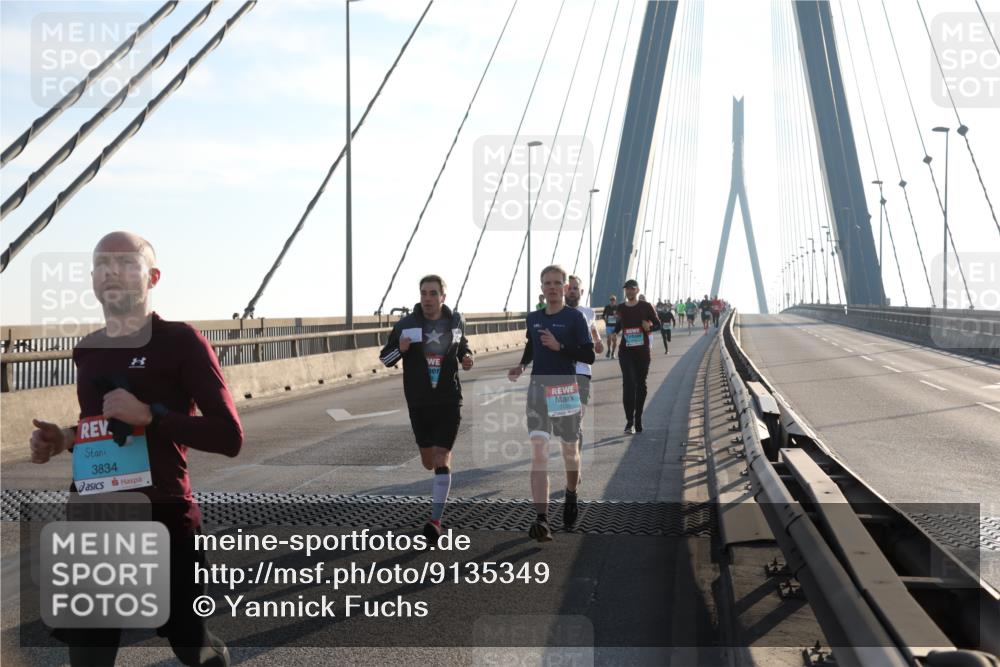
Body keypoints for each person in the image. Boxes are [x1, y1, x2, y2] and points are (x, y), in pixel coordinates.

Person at [29, 231, 243, 667]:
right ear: (92, 279)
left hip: (163, 517)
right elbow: (106, 426)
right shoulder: (88, 350)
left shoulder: (181, 341)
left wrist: (153, 416)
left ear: (153, 277)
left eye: (127, 263)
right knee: (88, 655)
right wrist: (65, 438)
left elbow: (228, 436)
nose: (112, 271)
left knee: (191, 645)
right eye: (102, 264)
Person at [379, 275, 473, 544]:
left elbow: (461, 346)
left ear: (443, 296)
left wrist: (467, 357)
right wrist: (400, 349)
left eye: (433, 293)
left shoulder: (456, 320)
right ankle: (438, 482)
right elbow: (386, 359)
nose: (428, 298)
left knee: (442, 458)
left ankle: (435, 520)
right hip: (419, 402)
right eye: (424, 293)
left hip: (449, 399)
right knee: (428, 460)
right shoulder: (406, 325)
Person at [508, 265, 594, 541]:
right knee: (539, 452)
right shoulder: (533, 318)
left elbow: (589, 355)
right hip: (537, 390)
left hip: (565, 390)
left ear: (566, 288)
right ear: (542, 288)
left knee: (569, 452)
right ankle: (542, 519)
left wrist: (561, 348)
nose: (554, 287)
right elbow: (532, 345)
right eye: (548, 283)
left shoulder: (575, 319)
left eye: (559, 283)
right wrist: (522, 365)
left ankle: (571, 493)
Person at [564, 275, 604, 461]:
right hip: (560, 373)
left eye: (575, 288)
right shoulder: (556, 312)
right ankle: (571, 455)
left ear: (581, 292)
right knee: (564, 423)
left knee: (577, 419)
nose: (572, 291)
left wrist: (598, 342)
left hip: (582, 372)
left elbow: (594, 329)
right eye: (569, 288)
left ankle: (575, 462)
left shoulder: (588, 312)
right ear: (565, 290)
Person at [613, 279, 660, 434]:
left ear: (637, 290)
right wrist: (614, 333)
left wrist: (650, 326)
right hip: (625, 352)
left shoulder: (646, 306)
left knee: (641, 384)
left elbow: (657, 324)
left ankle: (638, 418)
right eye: (627, 289)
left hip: (642, 353)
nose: (629, 291)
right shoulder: (621, 308)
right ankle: (629, 422)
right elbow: (619, 324)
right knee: (629, 383)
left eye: (632, 289)